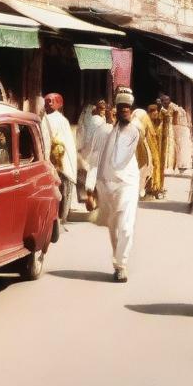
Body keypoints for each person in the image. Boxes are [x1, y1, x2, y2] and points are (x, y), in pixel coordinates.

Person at [86, 88, 141, 282]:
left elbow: (140, 157)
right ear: (115, 109)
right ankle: (118, 261)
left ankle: (121, 264)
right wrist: (90, 188)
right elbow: (94, 159)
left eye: (128, 107)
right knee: (113, 226)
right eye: (121, 107)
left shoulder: (136, 131)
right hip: (107, 185)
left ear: (131, 110)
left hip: (129, 183)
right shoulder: (104, 131)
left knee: (126, 226)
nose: (125, 110)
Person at [44, 93, 78, 229]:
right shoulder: (63, 120)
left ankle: (53, 220)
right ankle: (61, 220)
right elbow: (69, 144)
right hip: (64, 162)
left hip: (50, 161)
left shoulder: (45, 119)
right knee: (64, 191)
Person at [174, 100, 193, 173]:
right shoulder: (177, 109)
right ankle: (182, 164)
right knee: (181, 148)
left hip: (182, 130)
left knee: (183, 147)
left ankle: (183, 164)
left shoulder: (179, 110)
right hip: (181, 129)